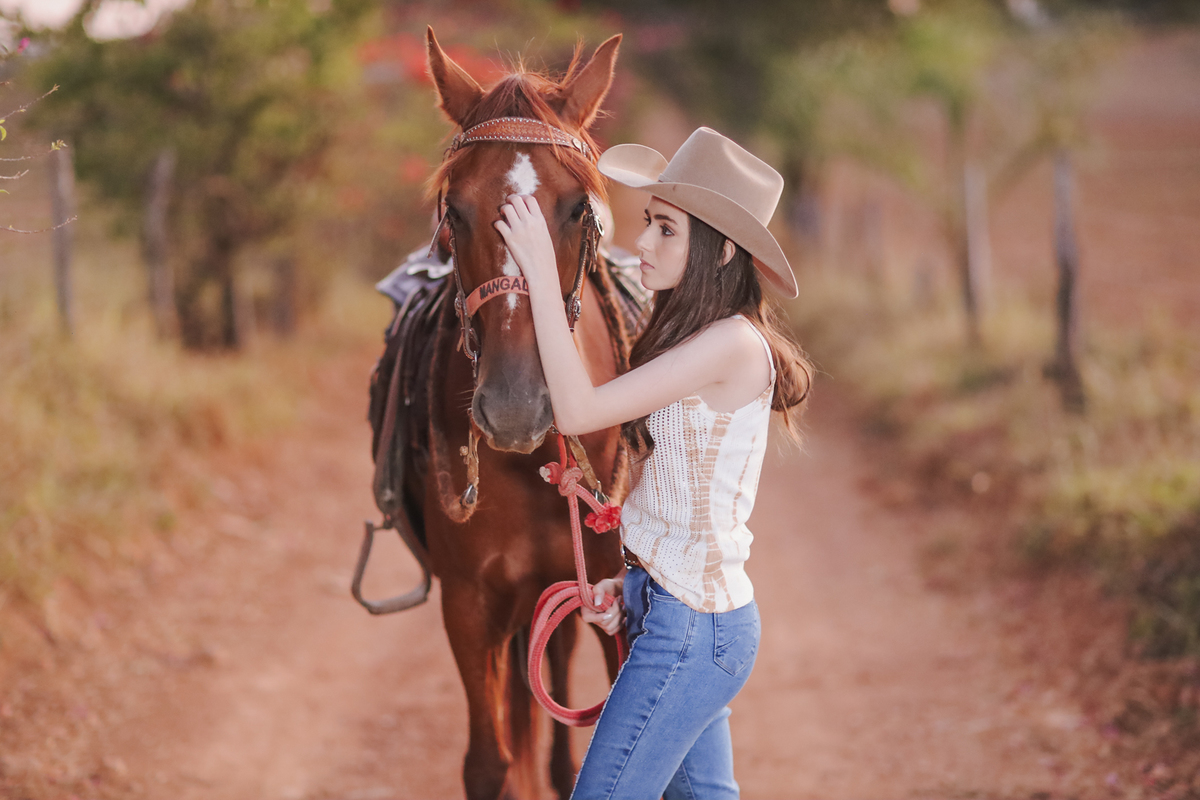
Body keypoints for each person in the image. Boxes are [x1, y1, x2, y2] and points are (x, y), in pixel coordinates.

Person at [495, 126, 813, 799]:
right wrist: (635, 583)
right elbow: (666, 484)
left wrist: (543, 277)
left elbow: (578, 410)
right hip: (673, 613)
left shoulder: (731, 344)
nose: (643, 242)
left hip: (693, 631)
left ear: (722, 249)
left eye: (666, 229)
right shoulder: (696, 339)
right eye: (649, 224)